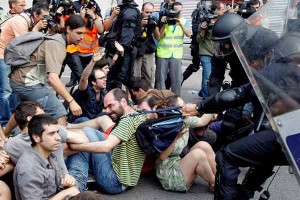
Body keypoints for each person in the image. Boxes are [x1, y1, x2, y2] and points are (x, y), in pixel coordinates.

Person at [182, 29, 300, 200]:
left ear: (266, 53)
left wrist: (200, 107)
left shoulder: (276, 69)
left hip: (289, 133)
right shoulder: (293, 69)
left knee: (227, 156)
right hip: (290, 133)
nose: (251, 65)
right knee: (263, 154)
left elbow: (239, 94)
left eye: (253, 59)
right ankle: (243, 194)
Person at [66, 88, 148, 193]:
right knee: (90, 133)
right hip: (124, 176)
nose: (108, 111)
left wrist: (75, 147)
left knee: (87, 134)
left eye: (111, 106)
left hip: (115, 182)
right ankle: (74, 178)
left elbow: (106, 147)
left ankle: (76, 185)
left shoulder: (127, 121)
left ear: (123, 101)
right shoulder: (137, 114)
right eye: (106, 107)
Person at [9, 14, 85, 126]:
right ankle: (60, 142)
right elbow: (53, 79)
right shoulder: (57, 44)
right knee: (59, 112)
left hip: (19, 79)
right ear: (68, 29)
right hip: (27, 82)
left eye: (84, 33)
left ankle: (4, 137)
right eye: (79, 33)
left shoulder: (57, 37)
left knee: (24, 110)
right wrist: (71, 101)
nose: (82, 37)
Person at [13, 114, 102, 200]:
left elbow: (57, 188)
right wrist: (65, 193)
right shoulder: (29, 168)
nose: (58, 137)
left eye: (57, 132)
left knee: (89, 197)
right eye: (51, 134)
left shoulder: (50, 155)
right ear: (37, 138)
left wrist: (67, 184)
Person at [0, 1, 49, 128]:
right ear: (35, 14)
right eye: (43, 17)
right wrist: (37, 29)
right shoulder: (20, 21)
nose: (45, 20)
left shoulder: (29, 20)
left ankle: (14, 117)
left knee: (15, 89)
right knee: (6, 91)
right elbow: (24, 44)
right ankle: (5, 122)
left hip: (11, 56)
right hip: (2, 56)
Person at [156, 95, 216, 192]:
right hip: (168, 173)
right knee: (198, 154)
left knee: (203, 145)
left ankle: (220, 179)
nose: (186, 106)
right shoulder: (166, 126)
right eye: (182, 106)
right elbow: (162, 156)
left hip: (178, 162)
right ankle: (215, 184)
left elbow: (202, 121)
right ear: (174, 111)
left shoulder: (184, 120)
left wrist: (214, 105)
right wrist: (176, 138)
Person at [155, 1, 191, 96]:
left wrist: (180, 24)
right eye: (176, 11)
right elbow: (159, 36)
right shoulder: (165, 19)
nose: (178, 13)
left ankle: (176, 100)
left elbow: (189, 34)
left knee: (176, 79)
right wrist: (163, 23)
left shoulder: (184, 21)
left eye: (180, 11)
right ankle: (161, 98)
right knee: (160, 79)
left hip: (176, 54)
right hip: (163, 53)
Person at [65, 0, 104, 87]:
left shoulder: (96, 17)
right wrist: (81, 17)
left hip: (91, 52)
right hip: (78, 50)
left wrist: (93, 16)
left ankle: (87, 88)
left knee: (89, 75)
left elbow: (101, 30)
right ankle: (74, 80)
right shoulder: (79, 17)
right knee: (78, 72)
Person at [106, 0, 141, 91]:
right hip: (122, 49)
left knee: (121, 78)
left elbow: (127, 35)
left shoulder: (129, 11)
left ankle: (120, 101)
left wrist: (118, 53)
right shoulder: (125, 10)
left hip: (124, 51)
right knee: (118, 77)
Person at [67, 48, 107, 123]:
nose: (105, 80)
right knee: (84, 120)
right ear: (93, 82)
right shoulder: (86, 90)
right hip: (79, 122)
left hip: (93, 122)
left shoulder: (103, 94)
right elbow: (83, 79)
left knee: (105, 115)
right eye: (101, 78)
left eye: (104, 77)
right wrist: (93, 61)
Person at [133, 2, 160, 88]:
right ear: (142, 11)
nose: (148, 15)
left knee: (149, 76)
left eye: (151, 12)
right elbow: (132, 34)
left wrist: (154, 27)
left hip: (148, 51)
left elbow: (158, 37)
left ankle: (148, 97)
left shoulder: (154, 19)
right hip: (137, 50)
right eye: (147, 12)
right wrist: (140, 25)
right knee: (135, 76)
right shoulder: (136, 18)